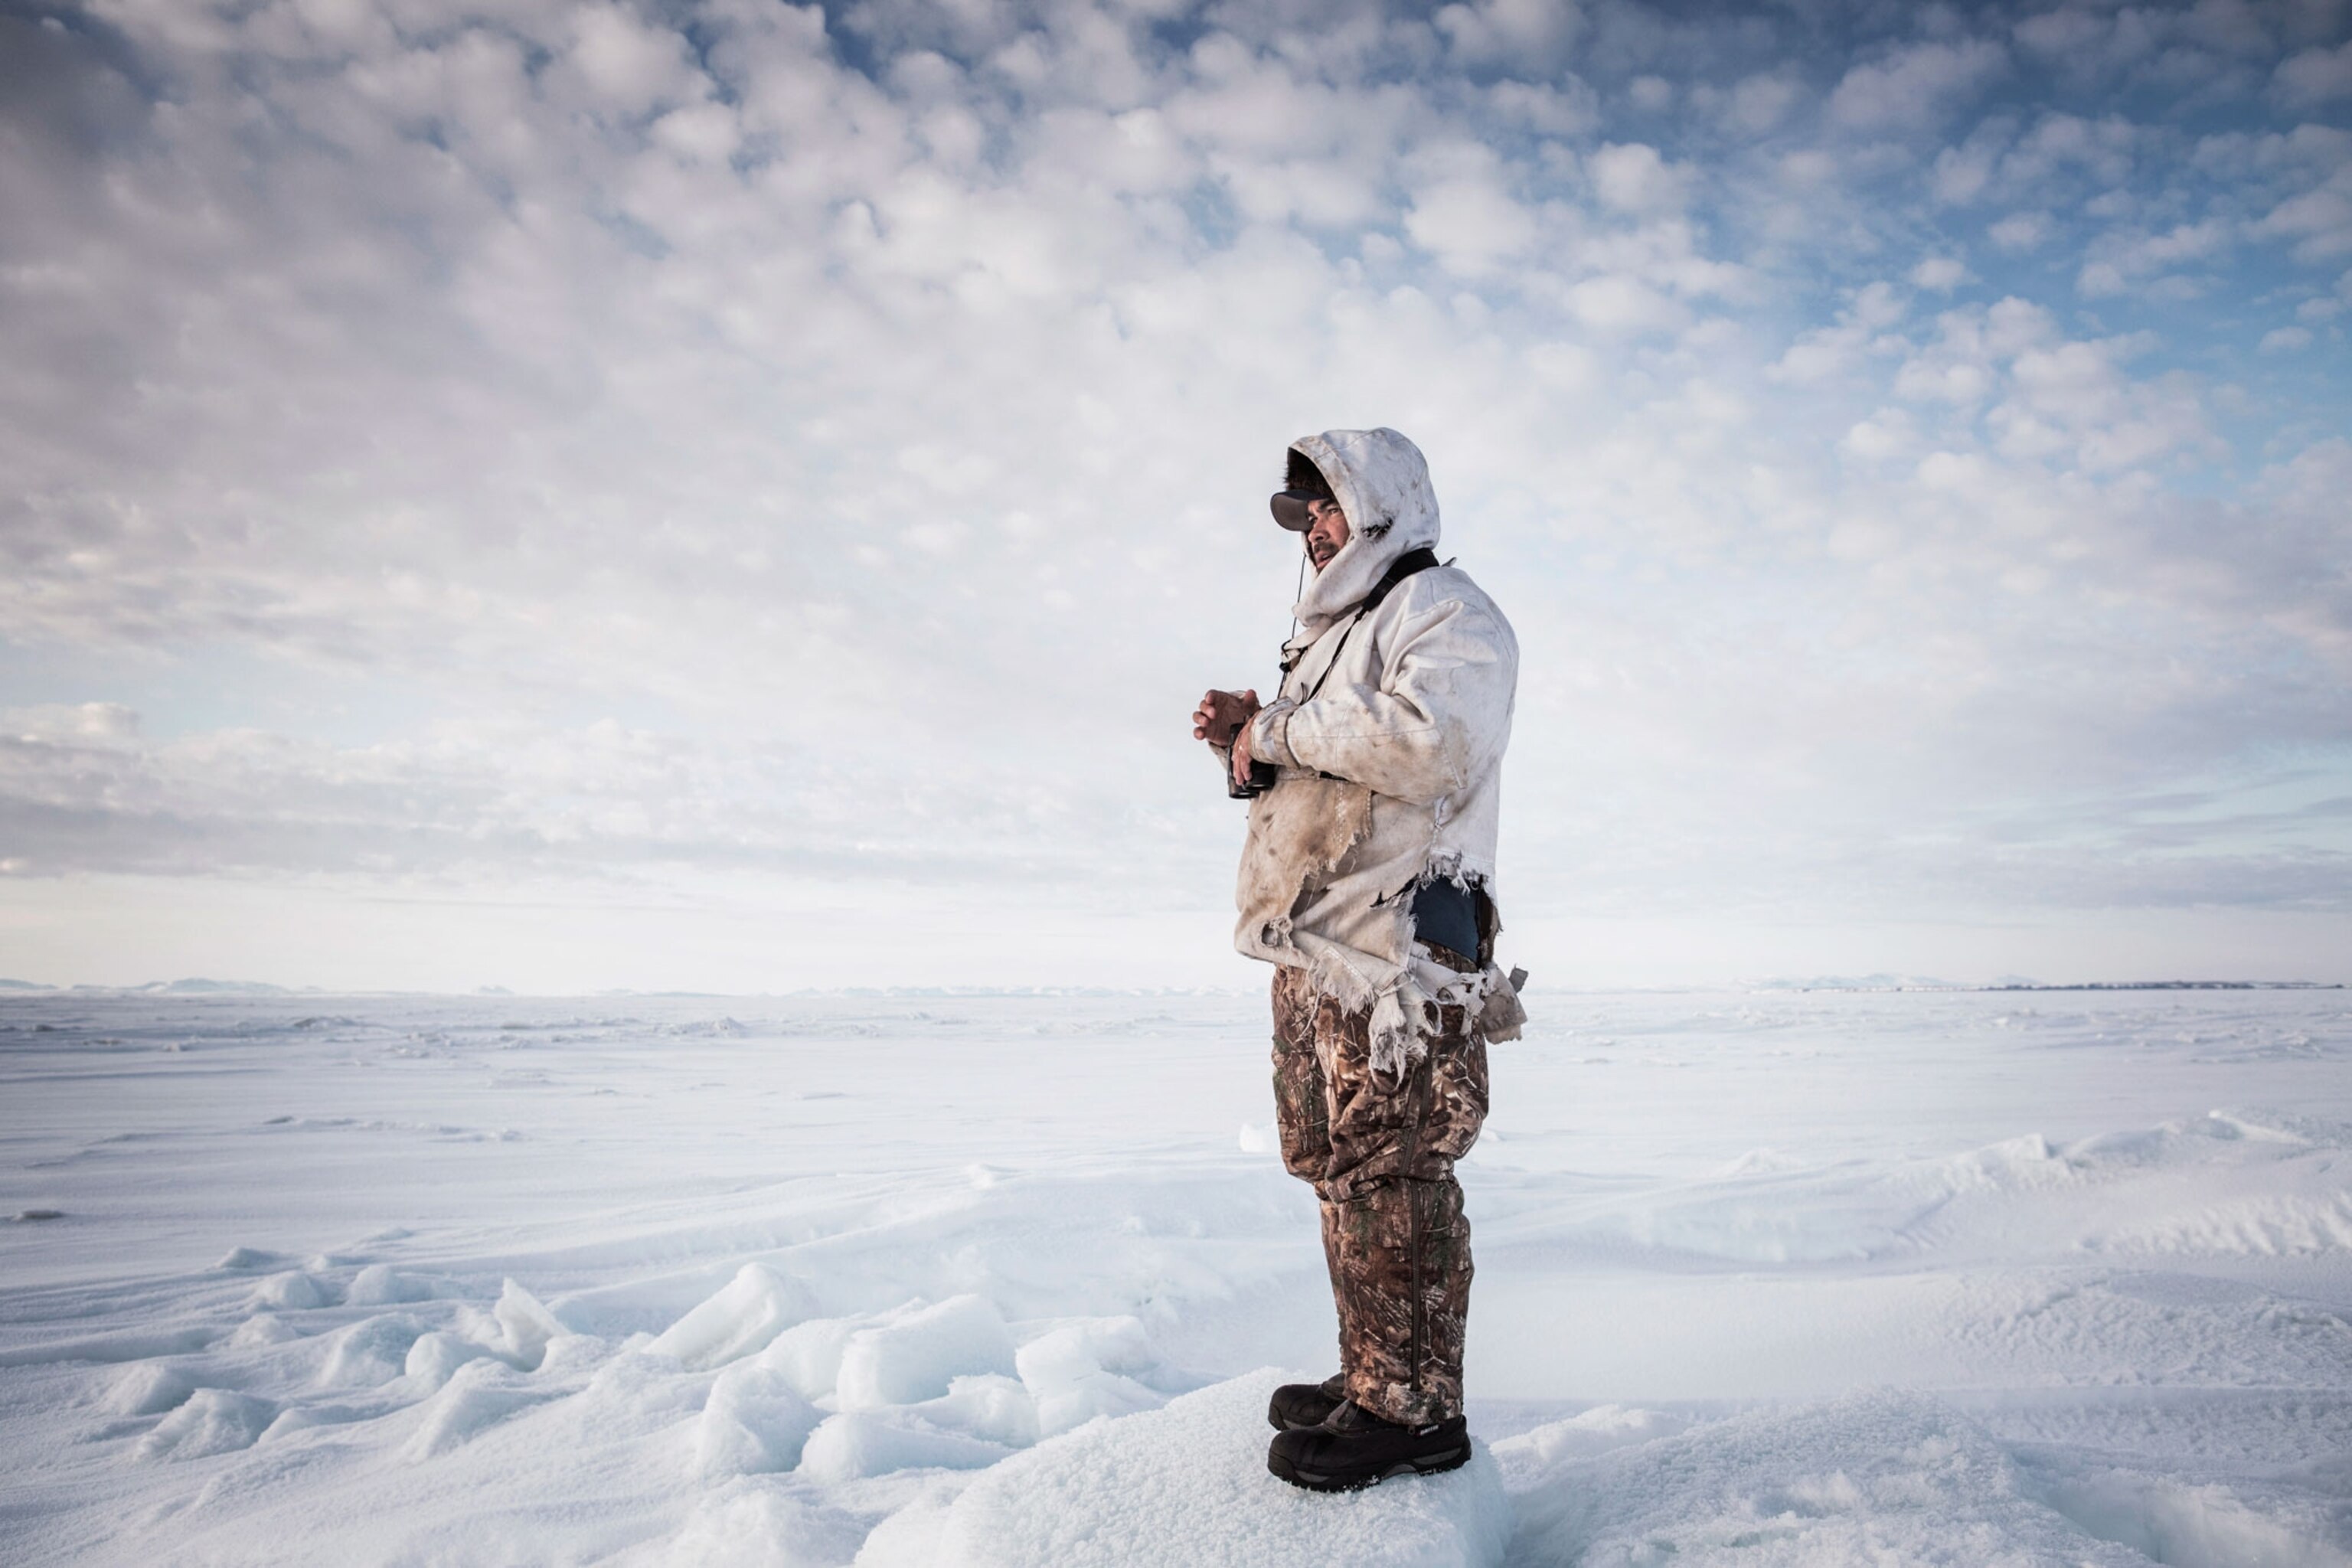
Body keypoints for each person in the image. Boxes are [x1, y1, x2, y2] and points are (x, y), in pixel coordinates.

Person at [1191, 427, 1522, 1492]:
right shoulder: (1338, 635)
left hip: (1400, 952)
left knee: (1398, 1165)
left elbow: (1433, 741)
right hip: (1318, 944)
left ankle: (1419, 1415)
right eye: (1301, 515)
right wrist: (1252, 744)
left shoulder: (1445, 613)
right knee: (1337, 1167)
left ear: (1378, 503)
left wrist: (1279, 731)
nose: (1311, 528)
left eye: (1323, 504)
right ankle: (1379, 1375)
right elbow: (1329, 767)